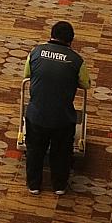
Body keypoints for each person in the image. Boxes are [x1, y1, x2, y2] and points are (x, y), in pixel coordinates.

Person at [23, 21, 91, 196]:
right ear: (71, 40)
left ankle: (34, 185)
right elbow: (85, 84)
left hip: (36, 115)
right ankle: (59, 186)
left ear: (51, 35)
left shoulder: (35, 52)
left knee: (34, 150)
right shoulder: (77, 60)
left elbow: (26, 75)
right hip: (63, 118)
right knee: (61, 153)